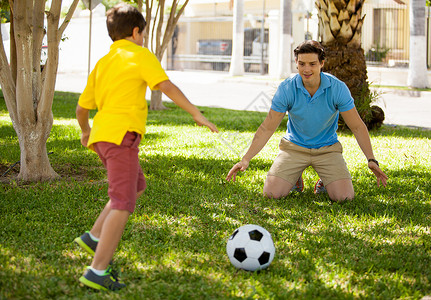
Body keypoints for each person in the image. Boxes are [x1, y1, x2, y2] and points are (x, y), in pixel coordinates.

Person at [74, 4, 218, 291]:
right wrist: (195, 113)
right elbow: (165, 85)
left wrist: (86, 131)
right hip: (121, 138)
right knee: (123, 203)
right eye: (143, 33)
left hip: (103, 137)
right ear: (137, 31)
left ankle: (92, 238)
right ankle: (97, 272)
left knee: (136, 186)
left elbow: (81, 107)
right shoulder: (140, 54)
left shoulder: (104, 61)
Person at [226, 40, 387, 201]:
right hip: (294, 148)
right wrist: (246, 159)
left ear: (322, 63)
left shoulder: (337, 88)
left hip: (327, 149)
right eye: (302, 64)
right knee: (271, 194)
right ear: (296, 62)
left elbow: (357, 126)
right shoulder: (287, 88)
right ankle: (295, 177)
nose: (306, 69)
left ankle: (325, 180)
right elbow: (268, 127)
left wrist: (371, 159)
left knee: (344, 197)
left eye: (312, 64)